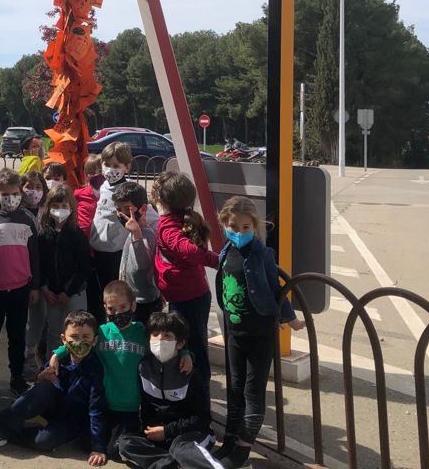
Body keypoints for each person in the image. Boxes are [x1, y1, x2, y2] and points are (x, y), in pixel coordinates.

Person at [49, 280, 192, 459]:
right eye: (111, 309)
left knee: (117, 450)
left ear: (133, 305)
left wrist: (185, 352)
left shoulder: (143, 332)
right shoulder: (101, 332)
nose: (117, 312)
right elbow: (78, 342)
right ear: (105, 308)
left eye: (122, 306)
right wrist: (57, 354)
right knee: (88, 443)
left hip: (131, 408)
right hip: (105, 404)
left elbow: (165, 344)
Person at [213, 196, 304, 468]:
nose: (239, 232)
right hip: (234, 332)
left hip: (259, 332)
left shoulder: (262, 254)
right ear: (224, 225)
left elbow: (275, 289)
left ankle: (242, 448)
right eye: (233, 227)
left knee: (253, 392)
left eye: (245, 227)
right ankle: (230, 440)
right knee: (235, 389)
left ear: (254, 226)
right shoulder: (226, 251)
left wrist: (289, 317)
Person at [0, 309, 107, 466]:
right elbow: (41, 380)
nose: (79, 342)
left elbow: (96, 408)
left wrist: (98, 446)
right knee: (43, 390)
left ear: (94, 340)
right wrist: (41, 377)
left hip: (71, 421)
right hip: (50, 408)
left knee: (45, 441)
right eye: (74, 337)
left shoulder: (95, 367)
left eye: (85, 337)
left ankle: (0, 429)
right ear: (64, 339)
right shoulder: (59, 359)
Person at [117, 311, 218, 469]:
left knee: (182, 450)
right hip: (156, 434)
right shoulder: (143, 367)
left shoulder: (192, 374)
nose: (160, 340)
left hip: (189, 433)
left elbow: (202, 418)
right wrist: (153, 431)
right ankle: (171, 465)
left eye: (167, 336)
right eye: (155, 334)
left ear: (180, 343)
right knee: (125, 443)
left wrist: (168, 431)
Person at [151, 172, 218, 390]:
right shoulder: (184, 219)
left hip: (187, 298)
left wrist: (218, 261)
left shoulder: (168, 226)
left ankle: (198, 399)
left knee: (192, 348)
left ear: (163, 201)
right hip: (190, 295)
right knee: (190, 346)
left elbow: (188, 250)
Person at [0, 167, 41, 399]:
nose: (10, 198)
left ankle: (17, 377)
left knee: (17, 336)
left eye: (14, 193)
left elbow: (34, 255)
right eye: (5, 194)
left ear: (21, 193)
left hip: (20, 288)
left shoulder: (28, 220)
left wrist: (35, 285)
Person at [36, 183, 91, 353]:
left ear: (71, 207)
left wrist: (67, 292)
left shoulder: (76, 234)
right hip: (52, 295)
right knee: (54, 333)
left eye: (64, 206)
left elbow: (84, 267)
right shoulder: (44, 235)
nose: (60, 210)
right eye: (55, 206)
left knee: (77, 332)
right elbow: (41, 264)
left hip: (74, 294)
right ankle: (53, 370)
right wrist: (44, 288)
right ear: (48, 208)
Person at [89, 142, 134, 322]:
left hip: (117, 251)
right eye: (107, 165)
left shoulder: (129, 189)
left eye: (116, 166)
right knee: (100, 293)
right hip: (98, 248)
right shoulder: (104, 186)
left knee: (116, 293)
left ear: (127, 167)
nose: (110, 170)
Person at [111, 182, 163, 323]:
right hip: (129, 299)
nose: (123, 215)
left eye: (128, 210)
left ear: (143, 209)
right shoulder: (131, 233)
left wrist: (136, 234)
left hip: (145, 302)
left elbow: (141, 265)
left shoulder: (148, 234)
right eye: (119, 210)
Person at [21, 168, 48, 379]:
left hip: (40, 273)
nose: (34, 191)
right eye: (29, 187)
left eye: (38, 187)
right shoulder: (17, 213)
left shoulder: (46, 212)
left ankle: (31, 353)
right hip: (19, 271)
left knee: (38, 317)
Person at [74, 154, 104, 239]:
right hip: (83, 240)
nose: (96, 175)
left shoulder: (110, 195)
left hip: (103, 242)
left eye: (100, 171)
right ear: (86, 175)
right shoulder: (78, 194)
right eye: (91, 173)